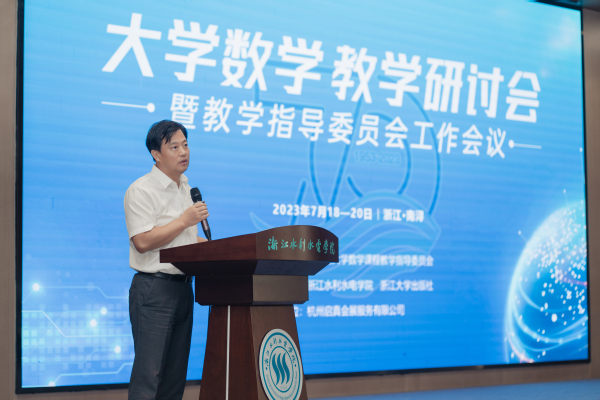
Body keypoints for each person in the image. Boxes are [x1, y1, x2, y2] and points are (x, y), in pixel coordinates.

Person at [124, 120, 209, 400]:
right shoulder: (141, 190)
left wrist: (217, 248)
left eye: (185, 144)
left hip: (184, 289)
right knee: (149, 380)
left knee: (174, 380)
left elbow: (183, 241)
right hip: (154, 290)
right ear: (156, 154)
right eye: (174, 147)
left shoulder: (185, 188)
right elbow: (142, 241)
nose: (183, 152)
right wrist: (184, 220)